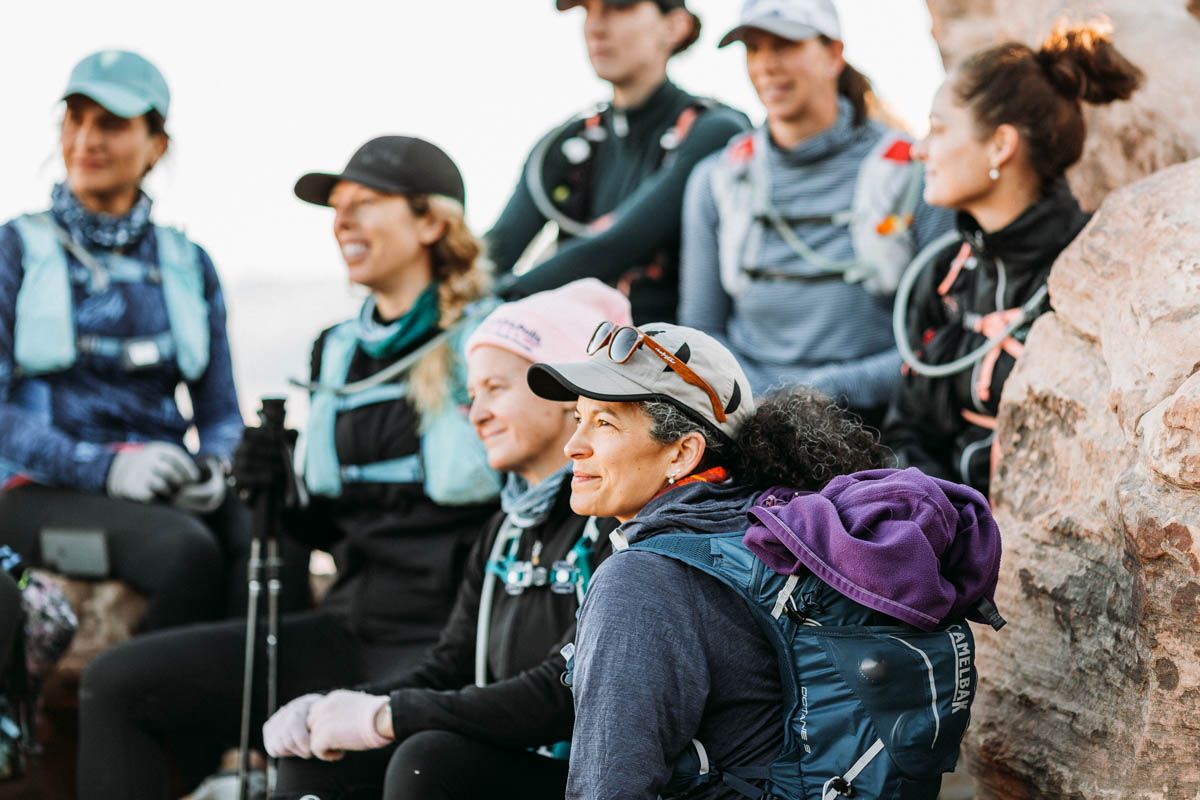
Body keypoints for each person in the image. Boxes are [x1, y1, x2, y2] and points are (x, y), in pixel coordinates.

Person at [75, 135, 501, 800]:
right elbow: (328, 533)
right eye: (337, 208)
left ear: (429, 221)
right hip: (348, 628)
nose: (342, 221)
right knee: (117, 682)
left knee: (316, 751)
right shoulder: (334, 352)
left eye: (365, 204)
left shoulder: (492, 345)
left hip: (448, 643)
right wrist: (274, 489)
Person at [526, 322, 1002, 798]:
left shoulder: (641, 579)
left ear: (682, 453)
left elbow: (609, 786)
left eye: (604, 423)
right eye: (577, 419)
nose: (573, 447)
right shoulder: (772, 536)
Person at [264, 279, 629, 800]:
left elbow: (564, 690)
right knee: (318, 761)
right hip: (516, 761)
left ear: (566, 395)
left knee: (429, 761)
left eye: (496, 390)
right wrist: (336, 707)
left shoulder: (616, 523)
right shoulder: (504, 530)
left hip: (594, 780)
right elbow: (450, 665)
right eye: (469, 394)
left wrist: (387, 715)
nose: (474, 412)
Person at [0, 50, 252, 631]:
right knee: (184, 554)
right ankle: (152, 711)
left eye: (110, 123)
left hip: (162, 489)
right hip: (36, 493)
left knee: (266, 538)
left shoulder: (191, 265)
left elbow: (219, 413)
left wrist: (212, 469)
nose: (86, 139)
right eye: (75, 119)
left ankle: (253, 718)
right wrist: (105, 469)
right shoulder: (15, 249)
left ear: (156, 144)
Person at [882, 22, 1143, 495]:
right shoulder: (946, 273)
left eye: (938, 129)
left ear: (1001, 145)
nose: (920, 150)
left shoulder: (1098, 267)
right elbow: (906, 430)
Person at [678, 0, 952, 420]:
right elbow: (701, 332)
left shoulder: (916, 173)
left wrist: (827, 391)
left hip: (876, 423)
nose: (766, 65)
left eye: (785, 44)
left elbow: (940, 343)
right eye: (753, 48)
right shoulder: (715, 180)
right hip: (743, 419)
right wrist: (756, 404)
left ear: (834, 54)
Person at [488, 0, 750, 324]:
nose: (596, 27)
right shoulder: (569, 143)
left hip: (670, 359)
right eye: (588, 11)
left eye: (618, 7)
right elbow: (490, 256)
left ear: (675, 26)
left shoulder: (713, 130)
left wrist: (501, 300)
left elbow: (614, 247)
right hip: (571, 358)